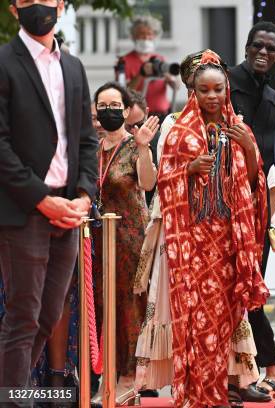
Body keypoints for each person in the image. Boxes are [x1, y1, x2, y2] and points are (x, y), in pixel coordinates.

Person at [157, 49, 269, 407]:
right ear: (194, 92)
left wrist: (249, 147)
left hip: (228, 244)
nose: (211, 96)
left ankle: (216, 393)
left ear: (227, 90)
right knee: (193, 322)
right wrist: (188, 171)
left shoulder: (240, 129)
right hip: (190, 244)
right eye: (204, 90)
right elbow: (163, 182)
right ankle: (195, 395)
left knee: (221, 326)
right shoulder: (179, 134)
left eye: (218, 89)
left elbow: (255, 186)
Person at [0, 1, 97, 406]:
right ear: (13, 10)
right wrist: (42, 199)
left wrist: (84, 195)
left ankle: (11, 391)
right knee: (23, 315)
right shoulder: (4, 63)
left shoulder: (73, 66)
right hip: (24, 211)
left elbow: (86, 140)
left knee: (48, 313)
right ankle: (14, 399)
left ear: (61, 6)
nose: (39, 5)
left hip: (69, 210)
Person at [90, 82, 159, 406]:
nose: (109, 111)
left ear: (127, 108)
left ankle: (129, 379)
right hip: (97, 242)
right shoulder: (91, 149)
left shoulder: (136, 145)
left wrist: (145, 149)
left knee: (130, 310)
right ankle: (109, 375)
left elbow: (147, 183)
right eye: (102, 106)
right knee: (102, 308)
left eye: (115, 104)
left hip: (131, 241)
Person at [229, 20, 275, 400]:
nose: (263, 52)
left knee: (251, 293)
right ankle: (239, 373)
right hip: (217, 210)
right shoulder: (224, 88)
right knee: (223, 295)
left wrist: (270, 218)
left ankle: (268, 369)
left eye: (270, 48)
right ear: (247, 47)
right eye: (257, 46)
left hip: (257, 213)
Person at [121, 15, 178, 119]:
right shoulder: (124, 61)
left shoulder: (159, 59)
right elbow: (123, 92)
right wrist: (141, 74)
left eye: (149, 34)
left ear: (154, 37)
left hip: (164, 114)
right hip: (139, 117)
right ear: (134, 37)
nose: (146, 38)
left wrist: (172, 80)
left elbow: (176, 86)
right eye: (141, 35)